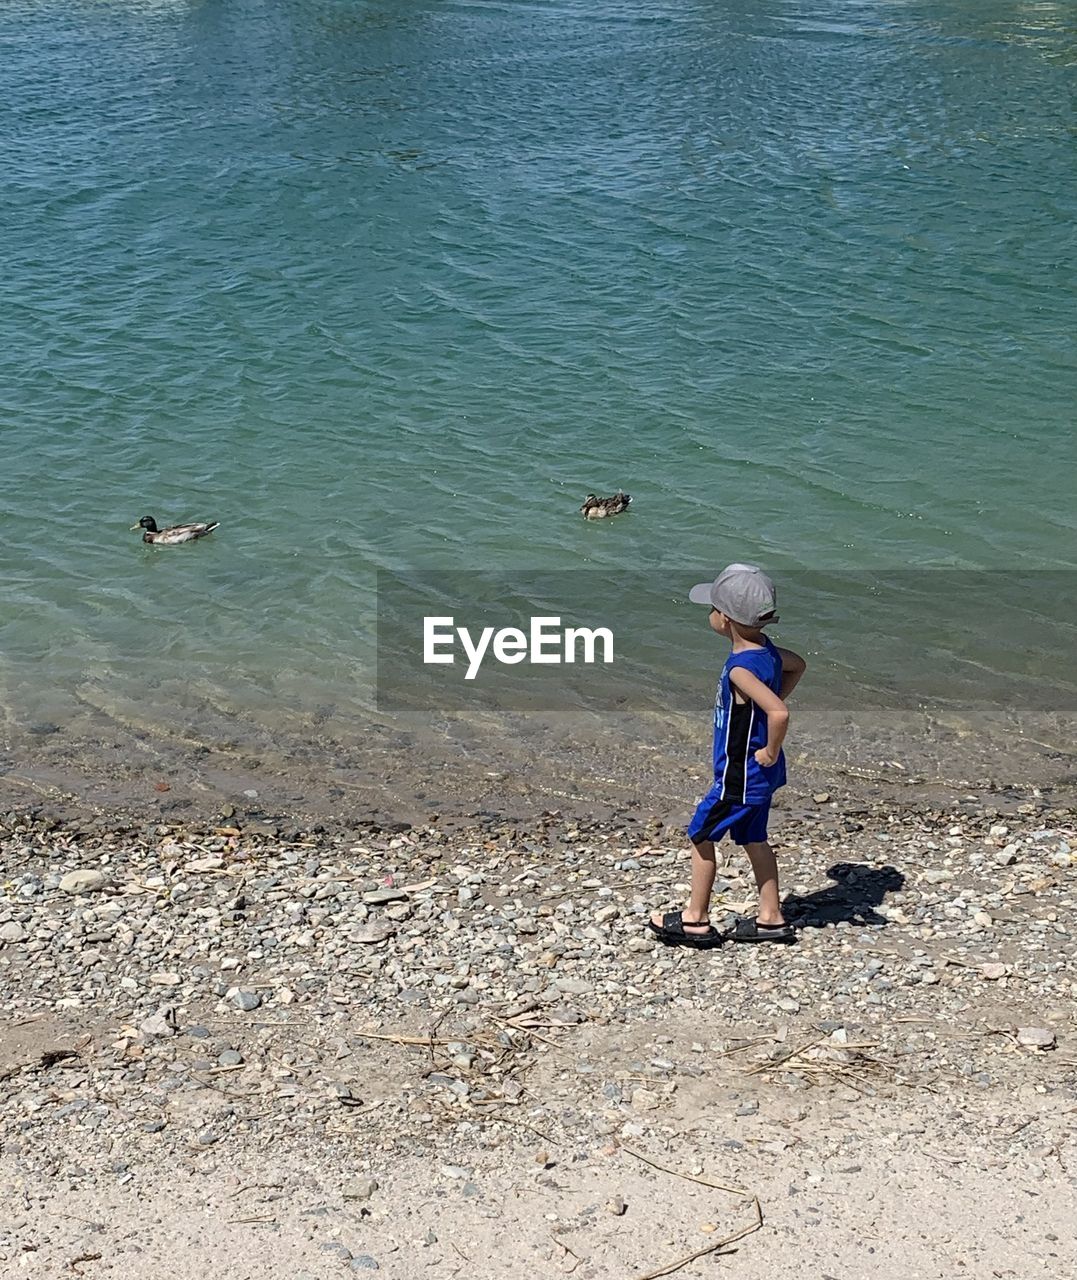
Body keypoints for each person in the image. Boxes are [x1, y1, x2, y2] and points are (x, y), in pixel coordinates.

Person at [649, 564, 806, 948]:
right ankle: (770, 917)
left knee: (701, 835)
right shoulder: (767, 652)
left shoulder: (741, 670)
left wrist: (769, 747)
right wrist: (769, 705)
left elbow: (779, 713)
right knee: (754, 838)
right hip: (760, 777)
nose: (710, 615)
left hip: (741, 775)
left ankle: (694, 919)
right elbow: (798, 665)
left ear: (726, 620)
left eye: (712, 608)